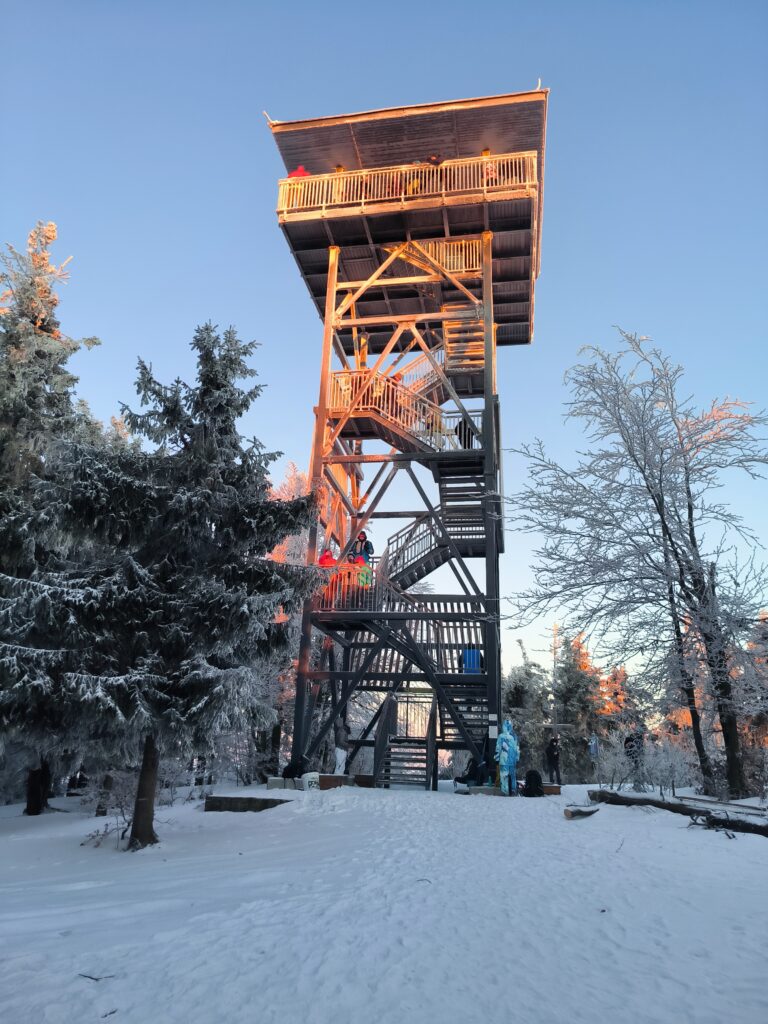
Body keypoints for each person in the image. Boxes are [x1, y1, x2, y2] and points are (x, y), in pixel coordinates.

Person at [495, 719, 519, 795]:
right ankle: (513, 790)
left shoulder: (501, 736)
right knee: (513, 776)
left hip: (503, 760)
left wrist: (496, 758)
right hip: (512, 760)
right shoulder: (514, 736)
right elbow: (517, 748)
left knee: (503, 776)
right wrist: (517, 758)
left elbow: (498, 748)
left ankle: (505, 791)